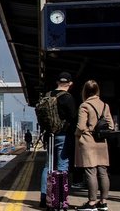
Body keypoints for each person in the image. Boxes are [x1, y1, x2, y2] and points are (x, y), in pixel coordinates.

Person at [75, 79, 114, 211]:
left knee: (91, 172)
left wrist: (79, 134)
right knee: (103, 172)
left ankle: (92, 202)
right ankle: (103, 202)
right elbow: (111, 126)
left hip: (89, 141)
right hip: (102, 142)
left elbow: (80, 126)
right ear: (97, 90)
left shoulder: (84, 106)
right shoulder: (105, 105)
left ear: (85, 91)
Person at [39, 71, 77, 208]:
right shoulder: (68, 98)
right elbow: (73, 118)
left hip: (49, 135)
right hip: (63, 135)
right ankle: (60, 199)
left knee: (47, 167)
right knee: (62, 167)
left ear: (57, 82)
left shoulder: (47, 96)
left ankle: (45, 198)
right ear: (70, 83)